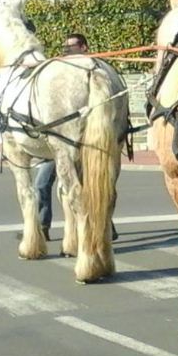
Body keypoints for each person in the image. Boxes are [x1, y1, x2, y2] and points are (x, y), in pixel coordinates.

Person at [35, 33, 118, 241]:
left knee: (89, 184)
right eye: (65, 46)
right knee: (42, 184)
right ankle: (43, 224)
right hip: (57, 142)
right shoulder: (60, 73)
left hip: (81, 143)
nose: (67, 49)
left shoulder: (93, 71)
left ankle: (103, 226)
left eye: (72, 46)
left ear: (84, 47)